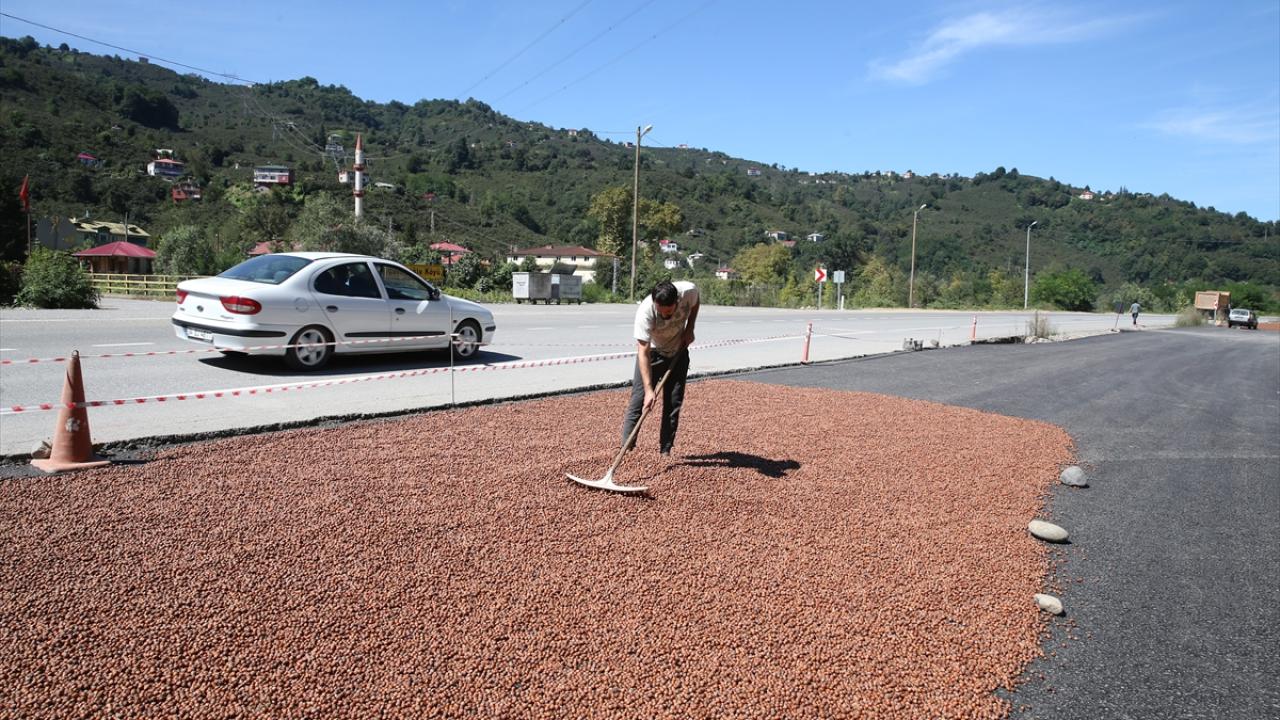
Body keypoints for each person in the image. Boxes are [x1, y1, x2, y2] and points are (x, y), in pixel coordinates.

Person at [621, 280, 699, 456]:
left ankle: (665, 451)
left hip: (678, 351)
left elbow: (695, 303)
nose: (664, 316)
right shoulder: (645, 312)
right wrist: (649, 390)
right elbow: (643, 351)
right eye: (661, 312)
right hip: (653, 354)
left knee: (673, 402)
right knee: (639, 399)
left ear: (677, 302)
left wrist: (690, 327)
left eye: (669, 313)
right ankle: (627, 449)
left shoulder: (688, 291)